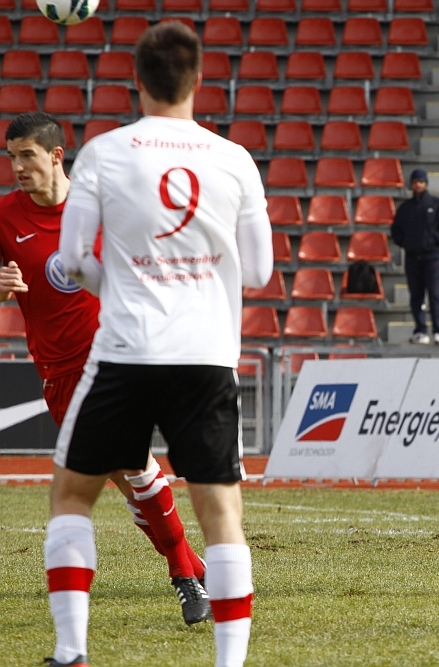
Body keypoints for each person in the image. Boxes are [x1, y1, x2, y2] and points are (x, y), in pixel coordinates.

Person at [46, 22, 272, 667]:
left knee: (72, 497)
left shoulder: (103, 153)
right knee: (221, 515)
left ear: (136, 82)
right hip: (205, 357)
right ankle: (229, 662)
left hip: (126, 351)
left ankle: (71, 651)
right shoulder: (234, 158)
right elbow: (259, 272)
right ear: (198, 80)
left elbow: (72, 261)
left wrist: (120, 279)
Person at [0, 113, 212, 628]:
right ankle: (196, 568)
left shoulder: (100, 206)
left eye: (27, 155)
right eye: (11, 157)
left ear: (56, 155)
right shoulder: (5, 216)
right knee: (126, 481)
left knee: (135, 466)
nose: (18, 167)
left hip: (116, 356)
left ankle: (185, 581)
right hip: (57, 371)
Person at [391, 168, 439, 345]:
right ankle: (420, 330)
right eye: (415, 182)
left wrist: (433, 241)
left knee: (434, 294)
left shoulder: (437, 205)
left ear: (426, 183)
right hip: (412, 257)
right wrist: (407, 243)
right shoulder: (405, 208)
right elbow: (396, 230)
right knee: (416, 295)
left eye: (421, 181)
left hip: (432, 257)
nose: (418, 185)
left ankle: (438, 331)